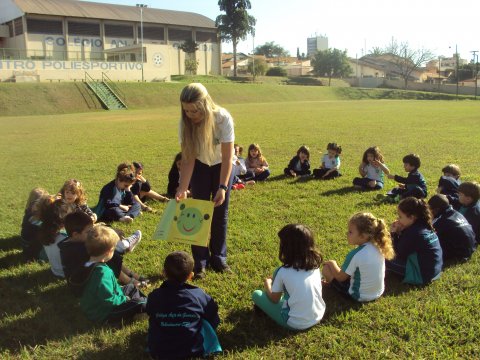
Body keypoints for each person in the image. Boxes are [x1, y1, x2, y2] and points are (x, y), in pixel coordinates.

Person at [175, 83, 235, 279]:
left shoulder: (222, 118)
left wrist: (223, 186)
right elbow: (188, 158)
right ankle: (200, 263)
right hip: (200, 166)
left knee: (220, 213)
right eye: (187, 110)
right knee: (197, 213)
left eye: (195, 110)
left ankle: (219, 258)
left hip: (221, 166)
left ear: (206, 104)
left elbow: (227, 158)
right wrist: (183, 188)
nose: (191, 115)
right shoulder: (185, 124)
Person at [147, 251, 221, 359]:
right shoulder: (198, 295)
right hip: (194, 351)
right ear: (191, 275)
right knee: (208, 319)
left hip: (159, 353)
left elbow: (150, 311)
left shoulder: (154, 296)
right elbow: (213, 314)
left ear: (164, 272)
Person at [251, 224, 326, 330]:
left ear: (286, 248)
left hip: (294, 323)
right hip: (318, 315)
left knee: (257, 294)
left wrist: (267, 283)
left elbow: (274, 299)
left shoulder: (282, 271)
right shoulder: (315, 266)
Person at [59, 212, 145, 292]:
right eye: (88, 232)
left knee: (106, 250)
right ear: (75, 235)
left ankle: (129, 273)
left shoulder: (76, 241)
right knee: (103, 253)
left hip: (88, 275)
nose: (92, 233)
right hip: (82, 286)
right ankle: (128, 280)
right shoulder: (76, 250)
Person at [77, 225, 147, 322]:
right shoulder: (102, 273)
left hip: (96, 304)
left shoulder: (86, 264)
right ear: (109, 252)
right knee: (140, 303)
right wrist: (124, 299)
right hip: (103, 312)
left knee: (131, 287)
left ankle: (141, 309)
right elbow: (108, 300)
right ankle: (144, 309)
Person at [322, 212, 395, 302]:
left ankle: (331, 284)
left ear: (362, 236)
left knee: (326, 269)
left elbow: (341, 277)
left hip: (358, 296)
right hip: (378, 292)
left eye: (350, 232)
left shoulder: (356, 254)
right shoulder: (378, 247)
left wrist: (332, 263)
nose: (347, 234)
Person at [386, 197, 443, 285]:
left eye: (400, 217)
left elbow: (396, 253)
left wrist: (394, 234)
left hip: (422, 276)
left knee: (382, 257)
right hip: (435, 271)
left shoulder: (413, 233)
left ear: (412, 217)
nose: (398, 219)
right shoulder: (424, 225)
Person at [428, 194, 476, 261]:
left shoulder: (441, 220)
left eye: (429, 209)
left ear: (436, 210)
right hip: (470, 249)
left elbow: (429, 236)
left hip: (456, 255)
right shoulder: (457, 213)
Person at [38, 196, 72, 277]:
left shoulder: (45, 232)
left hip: (55, 271)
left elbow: (43, 256)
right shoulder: (65, 237)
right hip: (67, 273)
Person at [21, 187, 49, 261]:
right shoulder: (32, 217)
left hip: (26, 241)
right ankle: (41, 257)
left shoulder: (29, 210)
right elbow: (44, 228)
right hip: (29, 246)